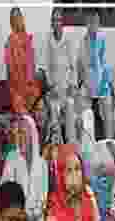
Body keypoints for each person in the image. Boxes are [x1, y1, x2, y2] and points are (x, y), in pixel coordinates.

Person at [1, 115, 48, 221]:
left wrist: (30, 216)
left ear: (32, 135)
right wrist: (18, 218)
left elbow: (43, 199)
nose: (19, 137)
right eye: (18, 132)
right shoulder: (11, 158)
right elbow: (5, 190)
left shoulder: (42, 164)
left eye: (22, 133)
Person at [77, 11, 115, 141]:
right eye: (89, 22)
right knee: (86, 118)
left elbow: (110, 65)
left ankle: (111, 145)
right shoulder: (83, 42)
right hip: (89, 88)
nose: (92, 25)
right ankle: (88, 144)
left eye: (95, 21)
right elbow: (80, 65)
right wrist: (79, 86)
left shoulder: (104, 39)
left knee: (109, 119)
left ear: (98, 23)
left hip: (104, 87)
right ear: (86, 23)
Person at [42, 7, 76, 145]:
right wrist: (51, 87)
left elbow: (73, 66)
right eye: (54, 20)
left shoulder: (68, 39)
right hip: (55, 89)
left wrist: (72, 86)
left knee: (70, 106)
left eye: (59, 20)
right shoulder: (48, 40)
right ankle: (58, 147)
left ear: (63, 22)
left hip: (67, 87)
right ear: (52, 22)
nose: (57, 23)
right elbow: (47, 66)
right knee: (54, 113)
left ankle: (71, 145)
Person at [5, 7, 41, 116]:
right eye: (14, 18)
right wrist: (14, 93)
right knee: (23, 120)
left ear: (22, 18)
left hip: (31, 88)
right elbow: (9, 70)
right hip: (17, 90)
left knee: (36, 117)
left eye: (19, 16)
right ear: (11, 21)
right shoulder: (10, 42)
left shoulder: (28, 39)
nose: (17, 20)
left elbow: (32, 65)